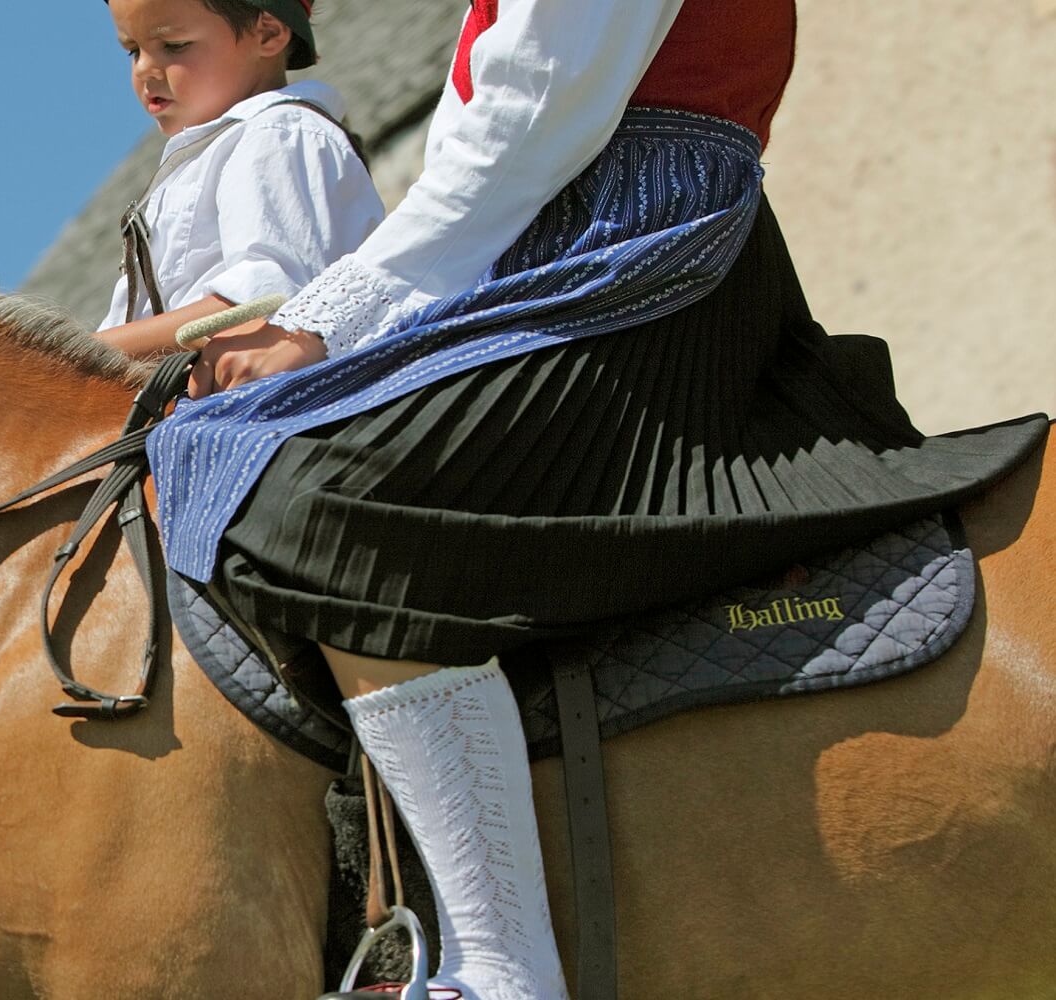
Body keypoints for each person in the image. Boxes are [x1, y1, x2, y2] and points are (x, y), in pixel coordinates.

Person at [143, 1, 1051, 998]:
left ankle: (499, 966)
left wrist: (329, 316)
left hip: (632, 251)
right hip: (556, 250)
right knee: (236, 447)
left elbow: (536, 106)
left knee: (310, 495)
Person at [93, 0, 381, 359]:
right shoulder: (212, 153)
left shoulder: (277, 134)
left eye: (174, 46)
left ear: (268, 33)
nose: (146, 69)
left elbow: (265, 304)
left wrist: (86, 354)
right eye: (134, 51)